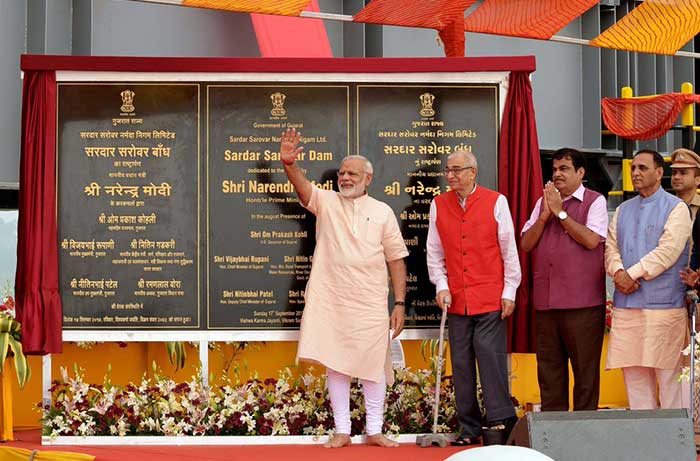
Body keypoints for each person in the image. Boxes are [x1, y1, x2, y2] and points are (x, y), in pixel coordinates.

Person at [279, 128, 408, 448]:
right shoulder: (326, 201)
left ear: (368, 178)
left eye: (352, 173)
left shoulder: (382, 211)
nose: (345, 178)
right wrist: (289, 164)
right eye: (342, 173)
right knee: (335, 364)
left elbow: (396, 259)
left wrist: (400, 303)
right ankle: (342, 430)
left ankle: (375, 429)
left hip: (369, 302)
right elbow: (302, 187)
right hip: (331, 300)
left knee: (373, 366)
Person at [426, 149, 521, 446]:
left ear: (472, 172)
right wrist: (441, 285)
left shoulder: (497, 201)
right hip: (456, 299)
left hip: (490, 296)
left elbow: (509, 249)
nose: (451, 175)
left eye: (457, 170)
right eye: (448, 170)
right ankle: (469, 428)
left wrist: (510, 291)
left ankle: (500, 421)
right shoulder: (438, 205)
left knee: (490, 359)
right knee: (462, 365)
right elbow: (434, 251)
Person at [520, 148, 607, 411]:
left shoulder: (595, 201)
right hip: (547, 305)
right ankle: (553, 436)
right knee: (549, 374)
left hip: (583, 305)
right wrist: (546, 214)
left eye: (564, 169)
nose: (557, 174)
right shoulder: (542, 203)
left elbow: (592, 240)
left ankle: (584, 438)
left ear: (581, 172)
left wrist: (561, 213)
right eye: (555, 169)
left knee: (585, 375)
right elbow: (526, 243)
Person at [605, 149, 691, 410]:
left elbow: (667, 252)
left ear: (659, 173)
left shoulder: (677, 208)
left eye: (643, 168)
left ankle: (673, 444)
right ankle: (645, 443)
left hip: (664, 308)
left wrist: (629, 275)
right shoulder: (622, 209)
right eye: (634, 168)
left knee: (669, 380)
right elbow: (610, 248)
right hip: (627, 306)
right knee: (634, 379)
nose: (636, 173)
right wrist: (618, 273)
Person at [670, 148, 700, 221]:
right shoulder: (664, 205)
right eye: (674, 173)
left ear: (697, 180)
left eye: (683, 173)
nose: (676, 177)